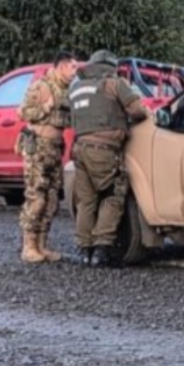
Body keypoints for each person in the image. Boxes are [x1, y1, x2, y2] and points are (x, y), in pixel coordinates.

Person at [70, 50, 149, 267]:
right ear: (111, 66)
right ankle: (101, 250)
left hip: (79, 149)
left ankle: (84, 250)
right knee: (113, 195)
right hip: (104, 150)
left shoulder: (77, 88)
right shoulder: (115, 83)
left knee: (86, 201)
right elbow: (138, 111)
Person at [16, 51, 77, 264]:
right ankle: (29, 246)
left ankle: (42, 245)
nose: (75, 72)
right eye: (72, 67)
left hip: (55, 149)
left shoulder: (66, 90)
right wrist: (45, 108)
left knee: (51, 199)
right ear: (61, 67)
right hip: (38, 149)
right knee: (37, 198)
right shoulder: (41, 86)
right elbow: (22, 112)